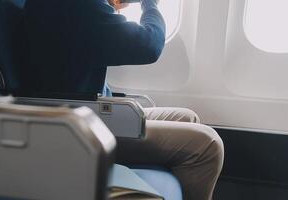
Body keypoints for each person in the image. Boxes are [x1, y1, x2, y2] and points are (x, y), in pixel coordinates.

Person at [24, 0, 224, 199]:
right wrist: (150, 4)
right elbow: (148, 45)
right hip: (80, 126)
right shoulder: (76, 6)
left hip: (96, 109)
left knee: (187, 118)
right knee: (208, 146)